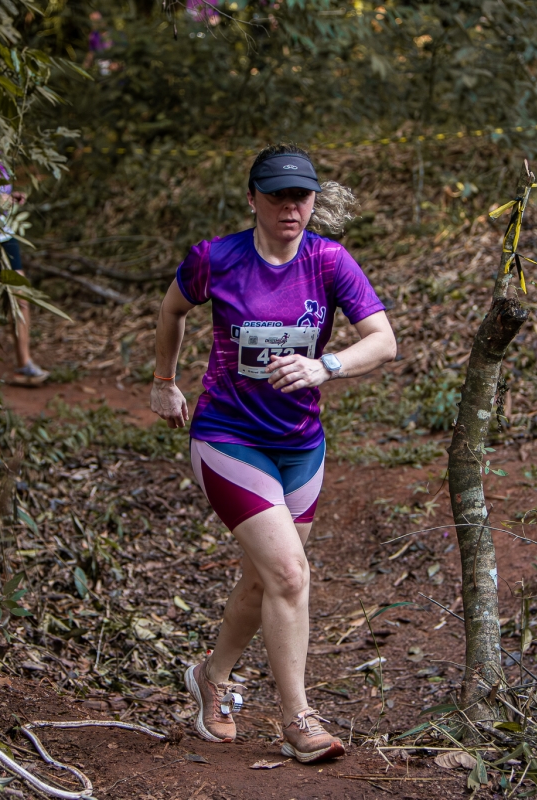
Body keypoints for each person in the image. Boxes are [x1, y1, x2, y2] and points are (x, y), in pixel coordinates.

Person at [150, 145, 397, 763]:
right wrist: (164, 381)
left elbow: (383, 341)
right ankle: (298, 720)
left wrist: (325, 366)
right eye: (278, 196)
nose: (291, 208)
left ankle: (211, 676)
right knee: (288, 574)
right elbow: (173, 309)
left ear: (314, 201)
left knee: (266, 579)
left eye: (302, 197)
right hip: (228, 436)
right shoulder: (217, 258)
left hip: (300, 444)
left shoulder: (329, 261)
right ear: (253, 199)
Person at [0, 161, 49, 386]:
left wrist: (11, 198)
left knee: (20, 296)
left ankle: (24, 362)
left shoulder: (3, 160)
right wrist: (0, 200)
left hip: (4, 235)